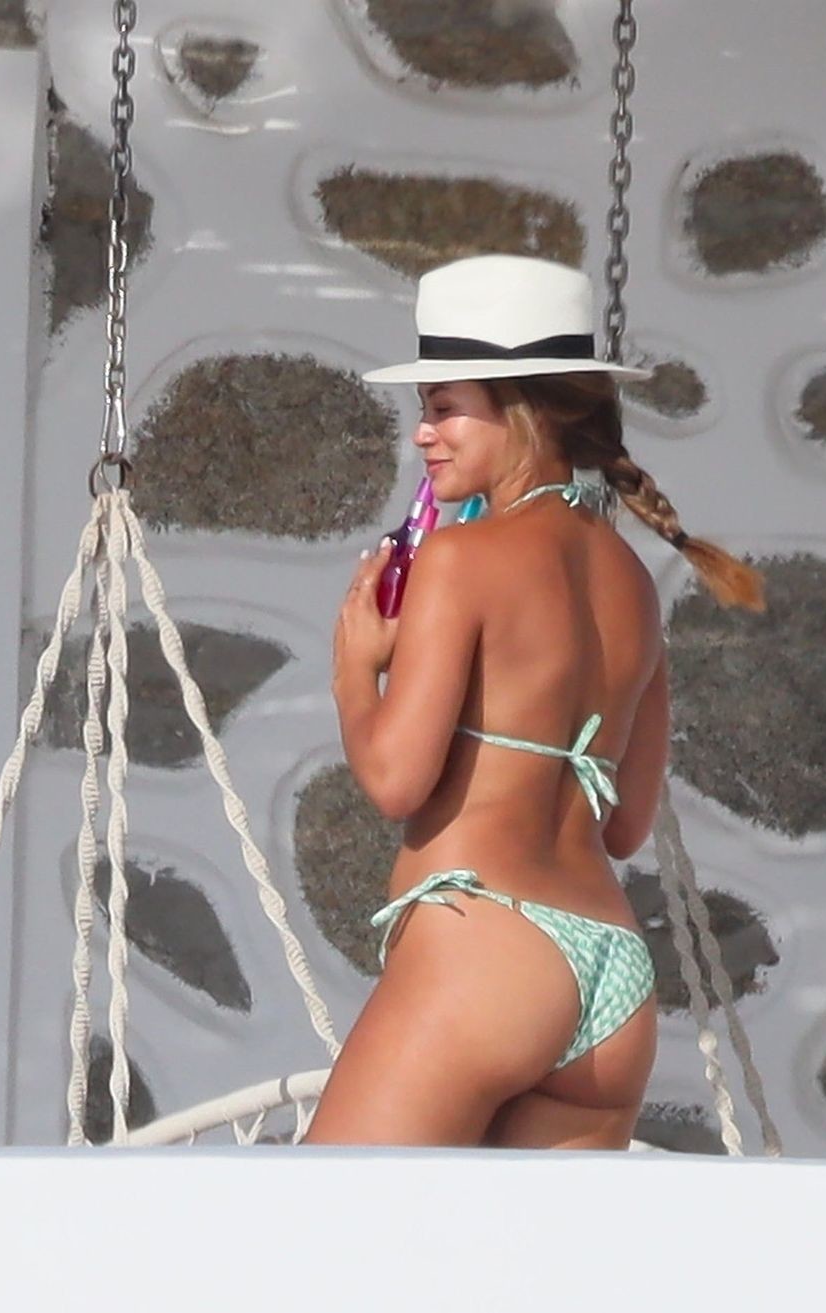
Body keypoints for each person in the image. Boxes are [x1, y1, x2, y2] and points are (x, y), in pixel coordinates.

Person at [302, 255, 763, 1149]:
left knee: (322, 1227)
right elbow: (623, 825)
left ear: (521, 408)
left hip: (486, 953)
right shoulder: (634, 582)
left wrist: (356, 671)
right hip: (611, 978)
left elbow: (397, 779)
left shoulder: (461, 560)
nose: (422, 434)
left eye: (444, 408)